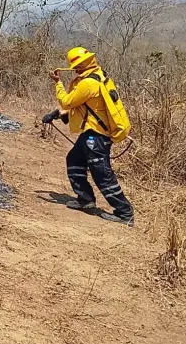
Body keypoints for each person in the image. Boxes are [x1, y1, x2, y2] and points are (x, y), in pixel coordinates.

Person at [42, 47, 134, 226]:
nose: (75, 70)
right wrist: (60, 114)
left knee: (102, 174)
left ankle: (125, 213)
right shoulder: (99, 76)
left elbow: (67, 101)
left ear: (83, 65)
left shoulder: (89, 83)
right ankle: (85, 199)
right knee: (74, 160)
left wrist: (57, 83)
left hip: (97, 136)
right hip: (90, 132)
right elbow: (86, 107)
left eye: (77, 66)